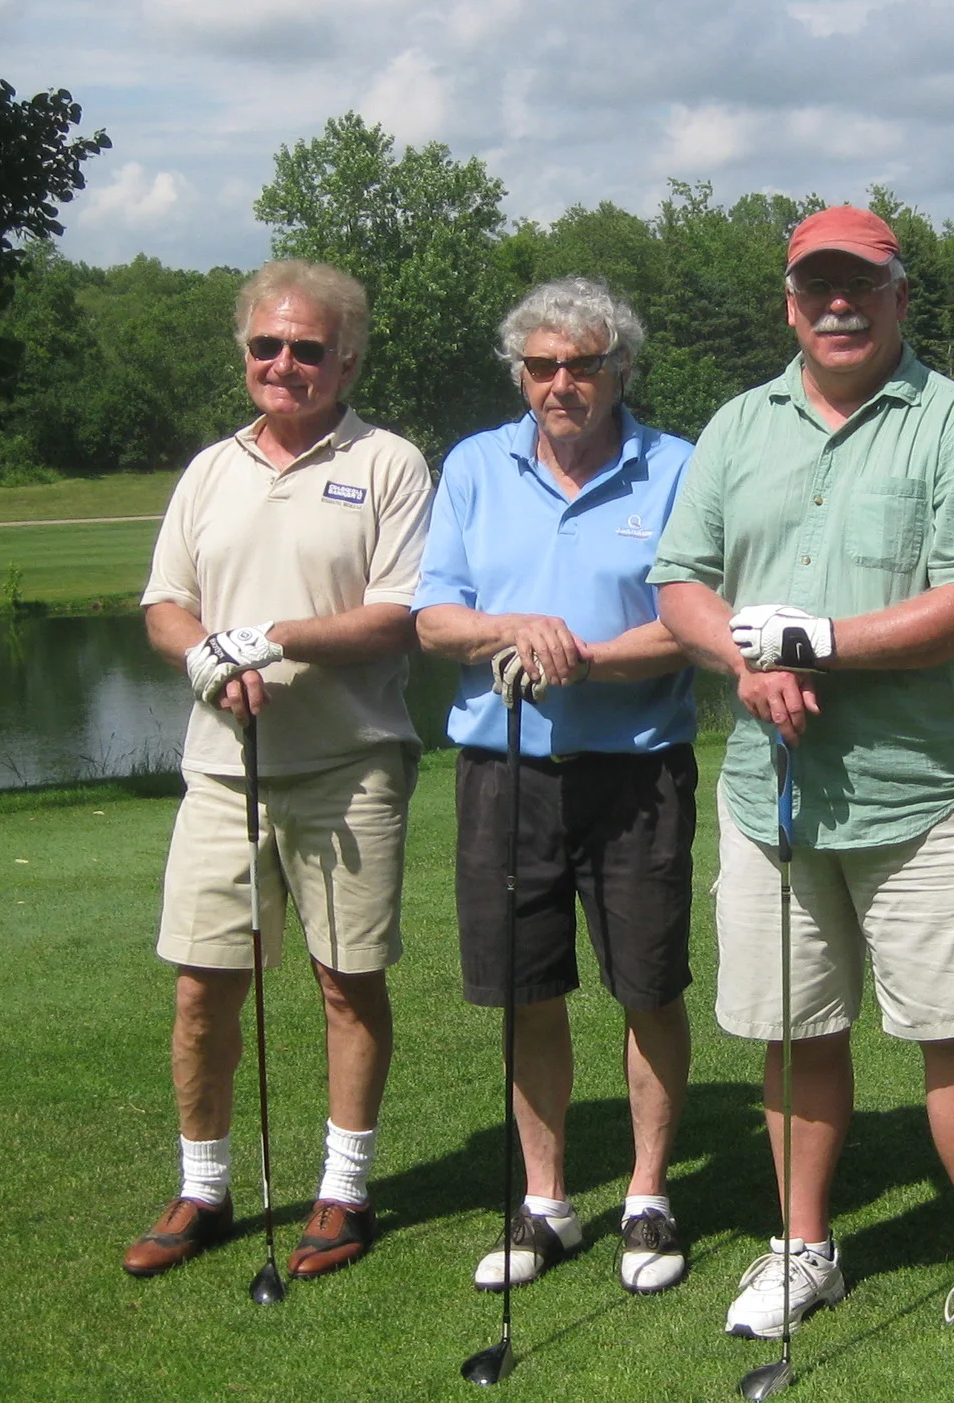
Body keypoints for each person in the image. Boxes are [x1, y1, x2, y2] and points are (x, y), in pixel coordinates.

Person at [649, 206, 954, 1367]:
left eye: (861, 285)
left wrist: (812, 639)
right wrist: (742, 654)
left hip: (924, 791)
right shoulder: (737, 426)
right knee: (791, 1029)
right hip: (772, 793)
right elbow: (682, 580)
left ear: (899, 297)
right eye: (816, 284)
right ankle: (802, 1242)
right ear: (788, 300)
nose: (838, 303)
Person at [122, 259, 431, 1284]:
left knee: (347, 981)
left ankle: (343, 1185)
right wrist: (204, 651)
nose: (284, 363)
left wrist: (270, 638)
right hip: (222, 769)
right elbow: (166, 603)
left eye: (307, 347)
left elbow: (399, 614)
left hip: (350, 764)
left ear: (347, 356)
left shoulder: (388, 462)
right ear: (245, 352)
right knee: (202, 987)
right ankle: (201, 1186)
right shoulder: (211, 468)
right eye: (267, 345)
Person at [413, 277, 700, 1296]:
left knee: (648, 982)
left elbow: (692, 624)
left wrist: (585, 657)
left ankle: (648, 1192)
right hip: (504, 764)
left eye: (583, 363)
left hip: (636, 765)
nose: (561, 383)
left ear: (622, 366)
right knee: (524, 985)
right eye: (542, 366)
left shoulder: (675, 467)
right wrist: (513, 630)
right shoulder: (474, 466)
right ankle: (545, 1200)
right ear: (520, 373)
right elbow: (434, 615)